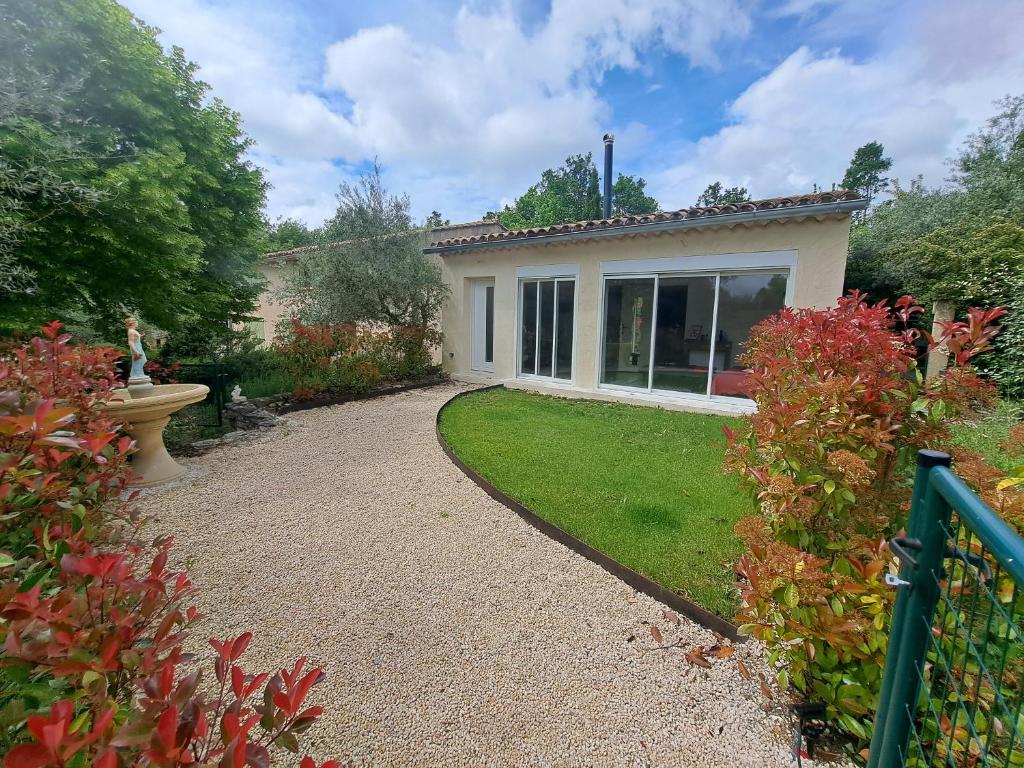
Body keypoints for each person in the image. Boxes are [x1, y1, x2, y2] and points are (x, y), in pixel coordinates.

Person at [126, 317, 148, 381]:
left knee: (142, 360)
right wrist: (136, 352)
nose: (137, 323)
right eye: (136, 322)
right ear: (133, 323)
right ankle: (137, 374)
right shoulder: (131, 331)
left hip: (138, 347)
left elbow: (135, 338)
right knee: (138, 361)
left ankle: (138, 374)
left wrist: (140, 335)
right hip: (136, 348)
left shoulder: (133, 330)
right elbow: (130, 342)